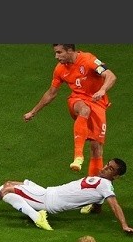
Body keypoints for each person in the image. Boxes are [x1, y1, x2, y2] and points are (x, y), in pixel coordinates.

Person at [23, 44, 117, 214]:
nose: (56, 56)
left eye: (59, 52)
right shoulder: (60, 69)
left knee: (97, 150)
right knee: (84, 110)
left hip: (98, 103)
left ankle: (96, 203)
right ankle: (78, 156)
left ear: (70, 50)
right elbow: (51, 93)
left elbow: (110, 76)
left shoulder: (88, 60)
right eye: (55, 53)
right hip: (78, 100)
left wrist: (103, 90)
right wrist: (33, 111)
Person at [0, 158, 133, 235]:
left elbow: (114, 205)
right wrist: (93, 210)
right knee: (11, 183)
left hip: (49, 200)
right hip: (47, 192)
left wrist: (124, 225)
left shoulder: (106, 186)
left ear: (116, 176)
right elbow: (97, 203)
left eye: (111, 169)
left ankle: (37, 217)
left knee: (6, 191)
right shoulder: (102, 184)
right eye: (107, 165)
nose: (106, 168)